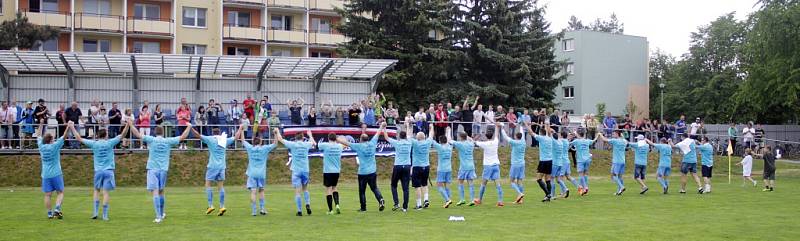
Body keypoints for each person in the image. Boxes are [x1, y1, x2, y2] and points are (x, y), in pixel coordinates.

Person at [128, 121, 192, 223]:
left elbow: (137, 134)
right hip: (163, 169)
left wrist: (131, 124)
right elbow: (182, 137)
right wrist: (189, 127)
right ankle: (162, 213)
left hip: (153, 169)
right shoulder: (167, 141)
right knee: (161, 191)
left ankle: (158, 216)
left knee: (155, 192)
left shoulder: (151, 139)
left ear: (154, 132)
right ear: (163, 133)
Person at [69, 120, 129, 221]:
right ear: (106, 135)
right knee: (105, 192)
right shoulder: (110, 143)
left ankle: (95, 213)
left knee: (96, 191)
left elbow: (79, 138)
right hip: (108, 171)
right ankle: (105, 215)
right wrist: (128, 124)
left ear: (97, 136)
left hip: (98, 171)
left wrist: (72, 127)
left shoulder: (94, 144)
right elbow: (122, 135)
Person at [337, 123, 386, 212]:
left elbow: (346, 143)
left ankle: (363, 208)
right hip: (372, 171)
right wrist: (381, 126)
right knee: (374, 188)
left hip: (363, 172)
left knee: (362, 191)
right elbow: (377, 133)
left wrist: (336, 139)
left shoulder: (358, 146)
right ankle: (381, 199)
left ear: (361, 139)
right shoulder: (372, 143)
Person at [191, 127, 235, 216]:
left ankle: (210, 205)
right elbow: (236, 137)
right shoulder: (224, 140)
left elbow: (197, 135)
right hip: (222, 166)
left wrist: (190, 128)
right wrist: (241, 128)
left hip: (212, 166)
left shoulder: (210, 139)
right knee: (221, 186)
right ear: (219, 133)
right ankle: (222, 206)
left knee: (208, 184)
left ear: (212, 133)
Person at [237, 126, 277, 217]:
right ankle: (262, 209)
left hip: (252, 173)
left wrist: (242, 131)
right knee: (261, 191)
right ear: (260, 142)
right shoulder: (264, 148)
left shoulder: (250, 148)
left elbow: (242, 141)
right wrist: (275, 134)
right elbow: (275, 144)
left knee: (253, 192)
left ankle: (254, 211)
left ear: (253, 142)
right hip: (261, 173)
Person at [276, 129, 316, 216]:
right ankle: (307, 204)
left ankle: (299, 211)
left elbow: (280, 139)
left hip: (296, 170)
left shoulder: (293, 144)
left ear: (295, 138)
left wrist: (277, 131)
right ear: (302, 138)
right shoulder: (306, 144)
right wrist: (310, 135)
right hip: (305, 169)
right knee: (305, 189)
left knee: (297, 191)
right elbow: (314, 143)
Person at [36, 122, 68, 219]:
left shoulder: (41, 146)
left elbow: (38, 135)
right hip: (56, 173)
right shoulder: (54, 146)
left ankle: (49, 214)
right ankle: (57, 209)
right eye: (53, 139)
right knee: (60, 192)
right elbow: (64, 137)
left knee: (47, 195)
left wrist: (41, 124)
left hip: (45, 174)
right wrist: (69, 127)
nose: (54, 141)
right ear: (50, 141)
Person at [383, 123, 413, 212]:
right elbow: (410, 134)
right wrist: (407, 126)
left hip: (398, 166)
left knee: (393, 185)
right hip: (407, 166)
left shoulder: (397, 143)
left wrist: (384, 128)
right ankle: (405, 207)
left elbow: (386, 138)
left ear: (399, 136)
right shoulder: (409, 142)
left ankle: (396, 203)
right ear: (406, 137)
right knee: (406, 188)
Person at [525, 122, 555, 202]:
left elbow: (531, 132)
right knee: (547, 179)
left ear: (541, 133)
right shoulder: (549, 138)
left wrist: (526, 124)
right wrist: (546, 125)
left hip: (543, 161)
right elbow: (546, 131)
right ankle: (548, 196)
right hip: (550, 160)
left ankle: (548, 194)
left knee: (538, 179)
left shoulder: (541, 138)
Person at [409, 123, 435, 210]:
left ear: (417, 137)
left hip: (417, 167)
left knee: (417, 186)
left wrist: (409, 126)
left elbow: (408, 136)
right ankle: (426, 199)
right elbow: (431, 135)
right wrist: (431, 127)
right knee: (424, 184)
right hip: (426, 166)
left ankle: (419, 204)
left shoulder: (416, 143)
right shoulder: (427, 142)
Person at [317, 132, 344, 214]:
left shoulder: (326, 145)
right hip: (336, 171)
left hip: (328, 171)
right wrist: (339, 140)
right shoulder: (339, 146)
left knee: (328, 189)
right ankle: (337, 205)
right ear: (335, 138)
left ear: (328, 138)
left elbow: (317, 145)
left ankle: (331, 210)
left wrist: (311, 136)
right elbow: (344, 144)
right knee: (335, 187)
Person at [450, 129, 477, 206]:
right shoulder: (471, 144)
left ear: (461, 137)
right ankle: (472, 200)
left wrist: (448, 132)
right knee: (471, 183)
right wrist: (467, 136)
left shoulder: (460, 144)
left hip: (464, 166)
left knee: (460, 182)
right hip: (471, 166)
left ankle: (462, 199)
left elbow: (450, 141)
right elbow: (472, 140)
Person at [597, 131, 628, 196]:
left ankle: (622, 187)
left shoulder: (615, 140)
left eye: (614, 134)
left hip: (616, 161)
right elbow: (624, 140)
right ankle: (619, 191)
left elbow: (604, 139)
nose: (612, 135)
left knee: (613, 176)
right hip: (623, 161)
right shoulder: (624, 141)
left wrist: (600, 134)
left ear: (617, 134)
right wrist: (621, 136)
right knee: (620, 176)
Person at [502, 124, 527, 204]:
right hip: (522, 164)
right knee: (519, 181)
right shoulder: (523, 141)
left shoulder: (515, 142)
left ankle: (520, 193)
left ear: (516, 137)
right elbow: (522, 132)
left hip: (515, 164)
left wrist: (502, 128)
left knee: (512, 181)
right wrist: (520, 125)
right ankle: (520, 199)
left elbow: (506, 137)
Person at [432, 125, 455, 208]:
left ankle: (448, 199)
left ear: (440, 141)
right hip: (449, 169)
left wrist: (431, 129)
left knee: (439, 186)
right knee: (447, 186)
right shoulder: (450, 147)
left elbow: (432, 141)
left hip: (441, 169)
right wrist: (448, 131)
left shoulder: (440, 147)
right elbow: (450, 139)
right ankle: (448, 201)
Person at [570, 129, 597, 196]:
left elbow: (568, 144)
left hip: (581, 160)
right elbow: (594, 141)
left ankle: (585, 187)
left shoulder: (576, 141)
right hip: (588, 159)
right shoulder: (587, 140)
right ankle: (583, 189)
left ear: (578, 134)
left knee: (580, 174)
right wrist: (598, 135)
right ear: (584, 134)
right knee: (585, 174)